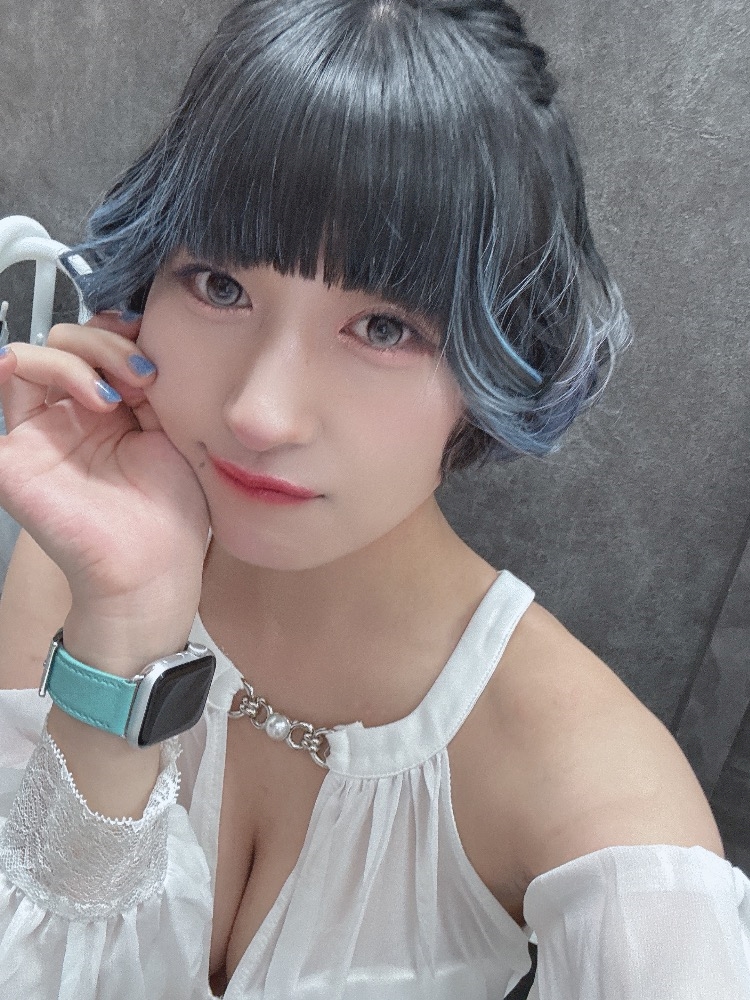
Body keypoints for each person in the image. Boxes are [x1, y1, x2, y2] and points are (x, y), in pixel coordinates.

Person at [0, 1, 747, 997]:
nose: (260, 412)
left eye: (385, 327)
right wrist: (122, 635)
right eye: (219, 284)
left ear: (494, 363)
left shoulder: (591, 788)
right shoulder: (83, 563)